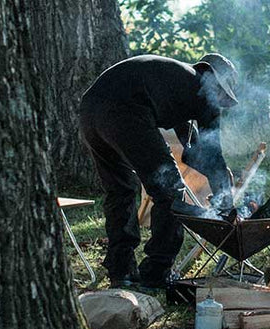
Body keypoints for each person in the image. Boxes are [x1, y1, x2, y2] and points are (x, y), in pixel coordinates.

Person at [78, 54, 239, 291]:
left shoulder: (180, 80)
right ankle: (157, 272)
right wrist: (226, 203)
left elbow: (192, 152)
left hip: (89, 112)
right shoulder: (204, 94)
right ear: (215, 82)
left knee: (120, 190)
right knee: (171, 192)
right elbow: (213, 156)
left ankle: (121, 270)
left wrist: (215, 175)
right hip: (125, 112)